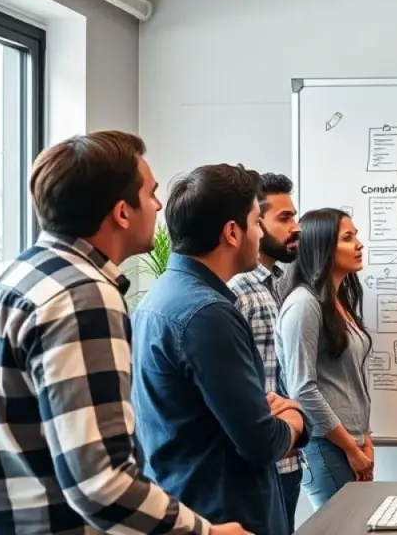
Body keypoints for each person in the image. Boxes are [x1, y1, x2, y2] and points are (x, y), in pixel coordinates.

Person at [0, 132, 247, 534]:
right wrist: (207, 532)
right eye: (150, 193)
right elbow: (101, 482)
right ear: (122, 213)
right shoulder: (82, 295)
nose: (160, 205)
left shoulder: (19, 275)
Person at [131, 164, 311, 535]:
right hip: (229, 517)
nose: (261, 234)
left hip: (191, 506)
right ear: (232, 232)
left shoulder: (159, 298)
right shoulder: (208, 313)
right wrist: (294, 418)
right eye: (256, 222)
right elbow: (261, 442)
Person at [276, 208, 374, 509]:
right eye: (348, 238)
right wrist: (351, 448)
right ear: (323, 246)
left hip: (352, 442)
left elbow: (350, 379)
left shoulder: (339, 301)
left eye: (356, 236)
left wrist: (365, 438)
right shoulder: (304, 304)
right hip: (327, 444)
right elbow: (302, 389)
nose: (359, 244)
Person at [228, 172, 303, 534]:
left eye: (295, 216)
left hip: (287, 457)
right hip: (263, 463)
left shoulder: (276, 285)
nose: (297, 227)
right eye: (284, 218)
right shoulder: (237, 290)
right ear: (256, 223)